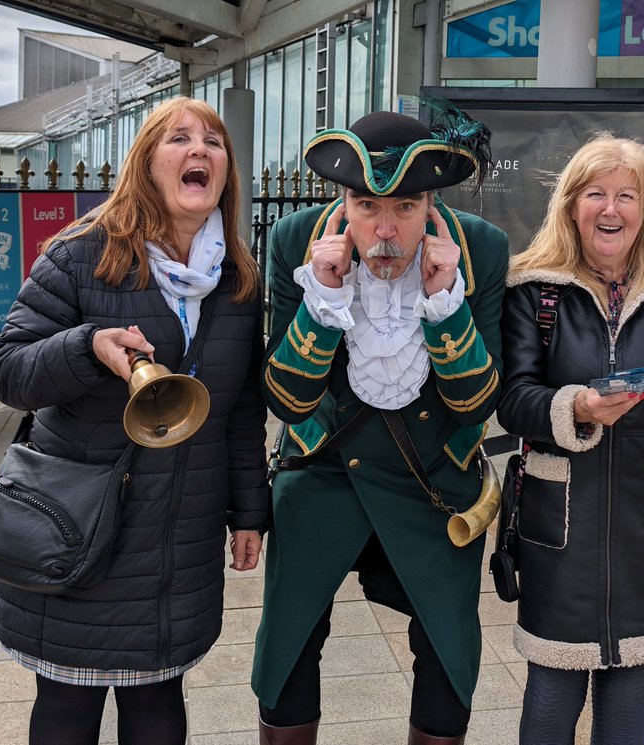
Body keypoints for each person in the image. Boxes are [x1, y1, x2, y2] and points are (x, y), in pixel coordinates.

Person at [0, 97, 268, 745]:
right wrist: (85, 348)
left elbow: (244, 406)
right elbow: (8, 371)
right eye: (179, 139)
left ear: (226, 170)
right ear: (145, 164)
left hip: (178, 537)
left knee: (158, 701)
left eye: (213, 142)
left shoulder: (237, 276)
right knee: (67, 706)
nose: (200, 150)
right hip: (82, 529)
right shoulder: (82, 255)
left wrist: (249, 510)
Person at [252, 109, 508, 745]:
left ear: (431, 204)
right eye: (367, 205)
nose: (386, 229)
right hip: (324, 469)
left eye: (406, 206)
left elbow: (477, 403)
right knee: (289, 645)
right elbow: (286, 398)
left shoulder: (480, 249)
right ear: (343, 201)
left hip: (434, 478)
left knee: (448, 653)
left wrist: (446, 307)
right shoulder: (295, 243)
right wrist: (324, 302)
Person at [496, 133, 644, 744]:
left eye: (626, 195)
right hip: (565, 517)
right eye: (596, 194)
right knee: (552, 693)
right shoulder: (533, 289)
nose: (611, 209)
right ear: (571, 205)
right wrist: (575, 406)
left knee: (630, 689)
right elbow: (511, 399)